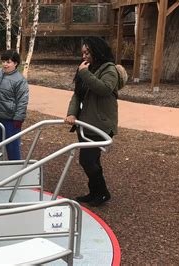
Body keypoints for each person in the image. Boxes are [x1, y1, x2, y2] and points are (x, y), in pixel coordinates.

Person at [64, 37, 126, 207]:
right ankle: (95, 192)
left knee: (88, 160)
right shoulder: (86, 68)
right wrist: (71, 113)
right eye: (83, 53)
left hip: (100, 124)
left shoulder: (109, 70)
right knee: (91, 160)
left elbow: (104, 89)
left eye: (88, 52)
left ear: (97, 51)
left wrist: (85, 74)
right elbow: (77, 94)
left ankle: (103, 192)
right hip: (86, 124)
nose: (84, 56)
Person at [0, 50, 29, 160]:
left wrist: (18, 118)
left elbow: (22, 101)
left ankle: (15, 169)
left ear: (15, 63)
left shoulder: (20, 80)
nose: (5, 64)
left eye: (8, 62)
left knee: (12, 147)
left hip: (11, 120)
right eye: (3, 61)